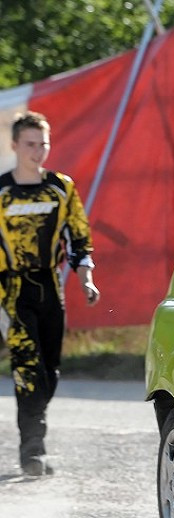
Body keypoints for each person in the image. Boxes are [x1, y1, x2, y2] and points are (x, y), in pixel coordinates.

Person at [0, 111, 100, 476]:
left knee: (49, 372)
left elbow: (79, 238)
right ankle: (32, 452)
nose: (38, 151)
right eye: (30, 144)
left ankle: (34, 434)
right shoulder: (2, 191)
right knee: (28, 369)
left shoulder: (61, 187)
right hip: (10, 290)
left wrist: (86, 278)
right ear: (14, 145)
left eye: (43, 143)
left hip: (50, 287)